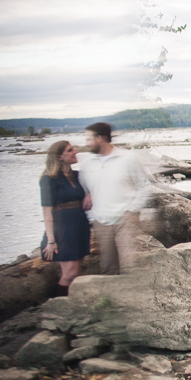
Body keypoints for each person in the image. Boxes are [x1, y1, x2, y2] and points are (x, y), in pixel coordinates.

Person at [78, 122, 149, 275]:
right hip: (101, 223)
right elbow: (86, 193)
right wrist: (93, 217)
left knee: (130, 265)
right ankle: (109, 299)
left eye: (89, 139)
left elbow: (144, 186)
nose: (87, 144)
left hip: (126, 220)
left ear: (100, 138)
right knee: (107, 267)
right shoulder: (86, 165)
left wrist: (132, 210)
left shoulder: (128, 159)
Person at [39, 140, 92, 296]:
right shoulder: (49, 179)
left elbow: (96, 186)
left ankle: (71, 303)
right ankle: (59, 304)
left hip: (80, 225)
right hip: (62, 229)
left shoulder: (78, 176)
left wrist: (90, 193)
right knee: (69, 274)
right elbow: (47, 213)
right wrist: (51, 241)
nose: (75, 152)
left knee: (76, 272)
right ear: (59, 157)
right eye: (70, 150)